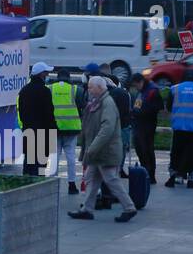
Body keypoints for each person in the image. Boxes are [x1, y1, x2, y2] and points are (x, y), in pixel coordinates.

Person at [68, 76, 138, 222]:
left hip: (105, 151)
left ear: (99, 88)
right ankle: (87, 209)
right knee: (92, 179)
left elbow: (107, 128)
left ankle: (129, 207)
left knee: (111, 179)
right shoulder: (98, 102)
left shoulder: (107, 103)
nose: (88, 90)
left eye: (91, 87)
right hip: (99, 151)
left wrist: (92, 147)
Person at [84, 63, 132, 177]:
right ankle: (118, 169)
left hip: (109, 134)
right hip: (123, 127)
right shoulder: (123, 93)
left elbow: (106, 126)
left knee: (109, 179)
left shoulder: (106, 97)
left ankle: (116, 171)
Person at [166, 68, 193, 188]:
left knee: (176, 152)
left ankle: (173, 177)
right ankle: (191, 178)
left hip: (178, 126)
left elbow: (168, 107)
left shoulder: (175, 89)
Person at [17, 62, 59, 177]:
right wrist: (53, 130)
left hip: (28, 130)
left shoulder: (24, 90)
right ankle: (38, 186)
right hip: (43, 133)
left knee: (29, 163)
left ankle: (25, 185)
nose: (48, 74)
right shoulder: (44, 91)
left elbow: (21, 112)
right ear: (41, 74)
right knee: (40, 165)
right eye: (46, 72)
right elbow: (49, 114)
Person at [48, 67, 83, 194]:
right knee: (70, 157)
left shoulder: (50, 88)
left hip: (55, 128)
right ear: (69, 78)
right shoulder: (76, 90)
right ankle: (72, 185)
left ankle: (51, 185)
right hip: (71, 128)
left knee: (54, 157)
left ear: (57, 78)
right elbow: (81, 107)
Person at [128, 72, 166, 184]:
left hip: (147, 125)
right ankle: (145, 170)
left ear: (141, 82)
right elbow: (138, 105)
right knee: (139, 148)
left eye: (136, 85)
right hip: (138, 123)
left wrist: (142, 112)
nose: (135, 88)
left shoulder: (152, 91)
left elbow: (158, 107)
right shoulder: (142, 91)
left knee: (147, 149)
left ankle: (150, 174)